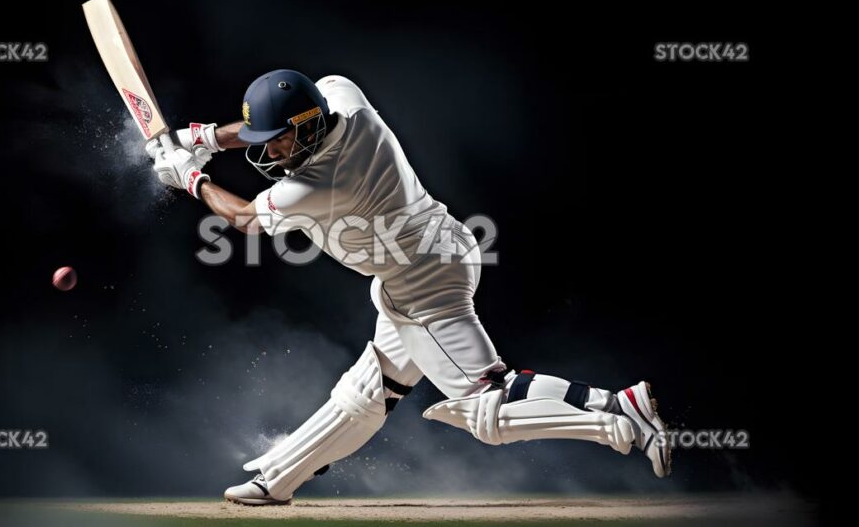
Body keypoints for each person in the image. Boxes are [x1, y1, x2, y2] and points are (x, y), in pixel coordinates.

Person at [145, 69, 671, 506]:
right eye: (267, 140)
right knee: (369, 390)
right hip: (439, 251)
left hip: (423, 282)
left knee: (485, 407)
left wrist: (192, 179)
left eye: (279, 141)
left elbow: (242, 218)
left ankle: (617, 411)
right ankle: (277, 480)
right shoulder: (342, 97)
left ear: (308, 128)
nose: (271, 152)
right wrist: (206, 137)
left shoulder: (314, 185)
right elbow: (277, 122)